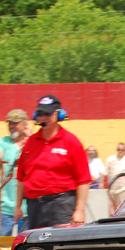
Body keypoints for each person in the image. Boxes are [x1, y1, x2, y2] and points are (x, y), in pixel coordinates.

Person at [14, 94, 90, 229]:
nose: (43, 118)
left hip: (62, 205)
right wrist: (18, 206)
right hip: (35, 206)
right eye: (40, 114)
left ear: (58, 115)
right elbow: (21, 178)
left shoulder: (71, 141)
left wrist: (80, 210)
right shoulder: (30, 143)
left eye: (48, 114)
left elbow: (83, 180)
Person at [0, 109, 31, 236]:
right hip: (6, 206)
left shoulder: (32, 143)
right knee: (2, 243)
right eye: (10, 123)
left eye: (15, 123)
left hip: (27, 207)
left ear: (25, 124)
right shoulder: (2, 142)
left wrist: (29, 137)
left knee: (26, 243)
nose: (12, 126)